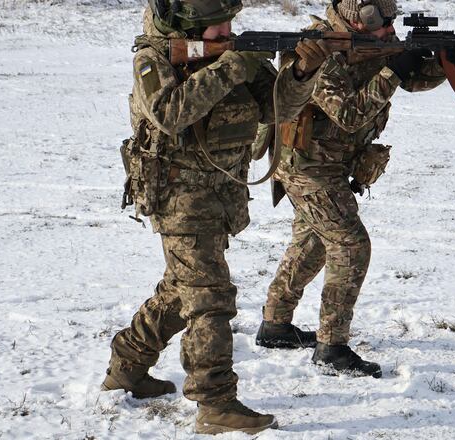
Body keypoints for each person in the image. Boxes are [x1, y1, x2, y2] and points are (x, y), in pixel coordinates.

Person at [100, 0, 328, 434]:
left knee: (180, 291)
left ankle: (126, 366)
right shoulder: (153, 59)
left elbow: (277, 108)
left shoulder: (232, 55)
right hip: (179, 198)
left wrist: (301, 72)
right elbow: (169, 114)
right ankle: (215, 402)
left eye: (228, 24)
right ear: (186, 28)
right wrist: (231, 67)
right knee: (210, 297)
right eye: (216, 27)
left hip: (219, 196)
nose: (227, 32)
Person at [255, 0, 455, 378]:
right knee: (350, 245)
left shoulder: (371, 44)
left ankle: (275, 324)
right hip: (306, 168)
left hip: (331, 164)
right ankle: (332, 347)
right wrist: (395, 69)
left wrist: (451, 62)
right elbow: (349, 113)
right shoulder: (318, 50)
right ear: (357, 20)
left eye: (390, 23)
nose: (389, 31)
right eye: (381, 23)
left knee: (312, 244)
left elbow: (413, 79)